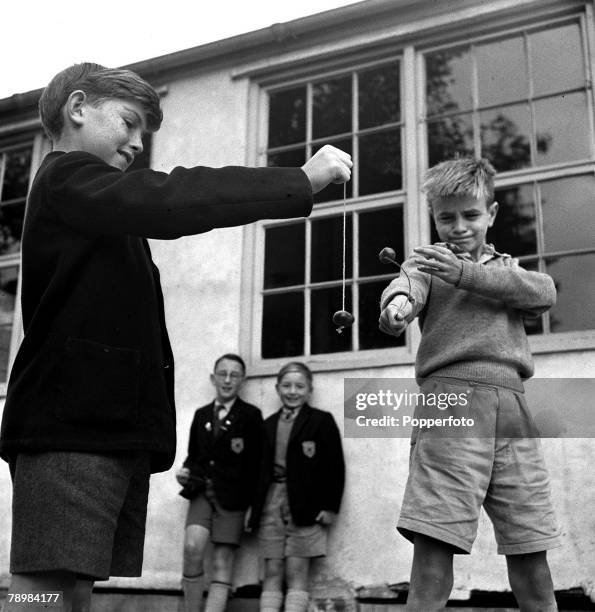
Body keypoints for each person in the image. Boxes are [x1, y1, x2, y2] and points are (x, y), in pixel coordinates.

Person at [0, 62, 351, 612]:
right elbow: (174, 197)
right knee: (40, 591)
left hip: (103, 428)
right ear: (77, 108)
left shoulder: (96, 208)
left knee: (73, 589)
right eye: (129, 122)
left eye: (145, 133)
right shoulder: (66, 178)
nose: (139, 143)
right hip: (67, 426)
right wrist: (297, 181)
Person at [378, 157, 561, 612]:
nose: (457, 227)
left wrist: (467, 274)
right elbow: (405, 288)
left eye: (470, 214)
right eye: (445, 217)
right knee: (435, 552)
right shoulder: (427, 262)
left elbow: (544, 293)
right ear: (433, 216)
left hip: (513, 412)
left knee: (530, 549)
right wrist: (397, 307)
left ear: (492, 213)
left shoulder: (508, 271)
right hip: (450, 406)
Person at [252, 362, 345, 612]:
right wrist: (254, 508)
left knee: (297, 570)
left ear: (309, 389)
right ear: (277, 388)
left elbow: (334, 468)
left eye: (299, 386)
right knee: (272, 569)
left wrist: (330, 507)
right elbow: (258, 471)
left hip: (307, 505)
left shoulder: (321, 421)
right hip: (272, 503)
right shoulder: (268, 424)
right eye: (286, 386)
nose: (292, 391)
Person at [176, 353, 262, 612]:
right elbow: (194, 456)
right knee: (192, 547)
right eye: (222, 374)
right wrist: (186, 471)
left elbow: (258, 467)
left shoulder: (250, 415)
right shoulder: (202, 414)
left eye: (234, 375)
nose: (227, 380)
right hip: (201, 492)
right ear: (213, 378)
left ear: (242, 380)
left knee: (223, 562)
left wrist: (253, 509)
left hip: (234, 498)